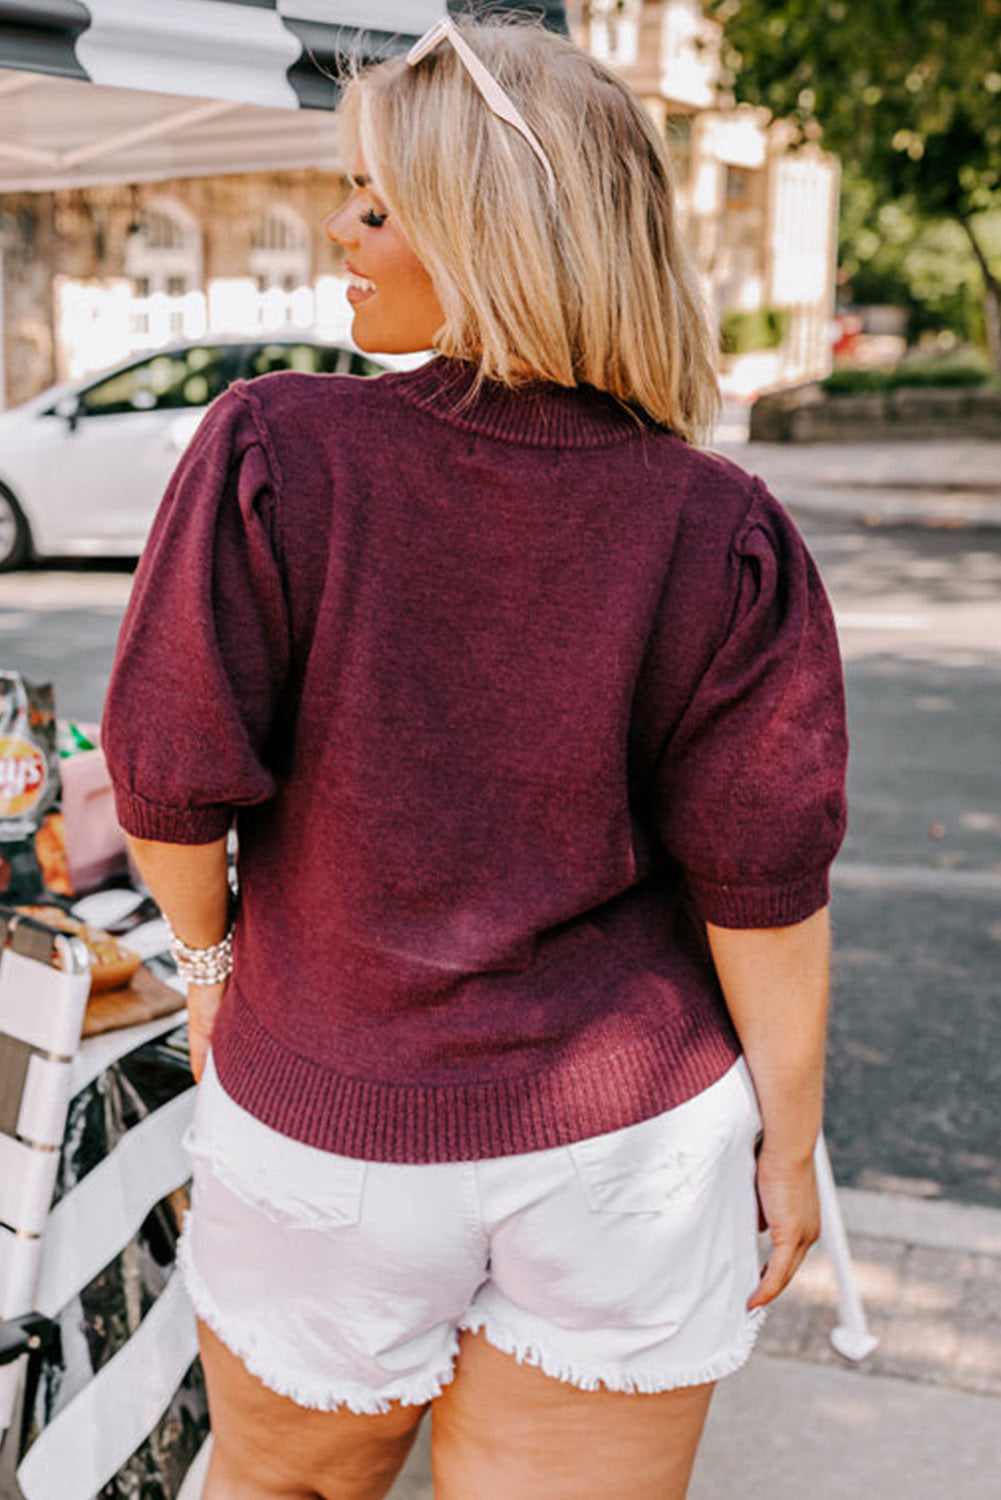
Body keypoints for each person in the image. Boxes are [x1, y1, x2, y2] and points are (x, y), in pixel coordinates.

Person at [102, 18, 847, 1500]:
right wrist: (787, 1143)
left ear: (487, 228)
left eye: (376, 202)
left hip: (332, 1115)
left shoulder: (273, 449)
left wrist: (208, 975)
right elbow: (760, 877)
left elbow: (171, 782)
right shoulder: (721, 524)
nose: (338, 227)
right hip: (629, 1147)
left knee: (287, 1492)